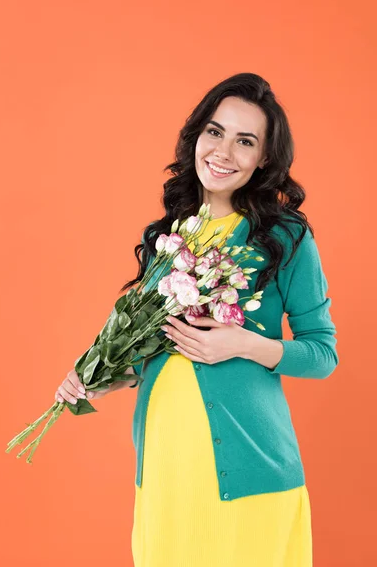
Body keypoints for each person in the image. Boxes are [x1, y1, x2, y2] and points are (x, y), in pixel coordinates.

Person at [55, 73, 338, 566]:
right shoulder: (171, 234)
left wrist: (242, 343)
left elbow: (322, 354)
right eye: (215, 131)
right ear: (196, 137)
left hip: (249, 471)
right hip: (166, 469)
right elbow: (152, 352)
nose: (223, 151)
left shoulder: (284, 235)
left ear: (264, 159)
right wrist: (100, 379)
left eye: (244, 141)